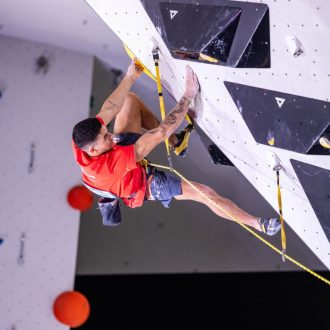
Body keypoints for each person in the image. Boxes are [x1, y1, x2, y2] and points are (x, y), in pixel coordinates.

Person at [72, 59, 281, 236]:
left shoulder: (81, 138)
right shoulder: (112, 164)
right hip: (140, 185)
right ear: (93, 150)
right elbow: (161, 131)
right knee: (204, 192)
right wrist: (188, 95)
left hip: (114, 162)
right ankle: (258, 224)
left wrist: (130, 76)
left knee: (129, 101)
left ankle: (177, 143)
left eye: (106, 131)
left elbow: (110, 108)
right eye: (105, 137)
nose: (110, 135)